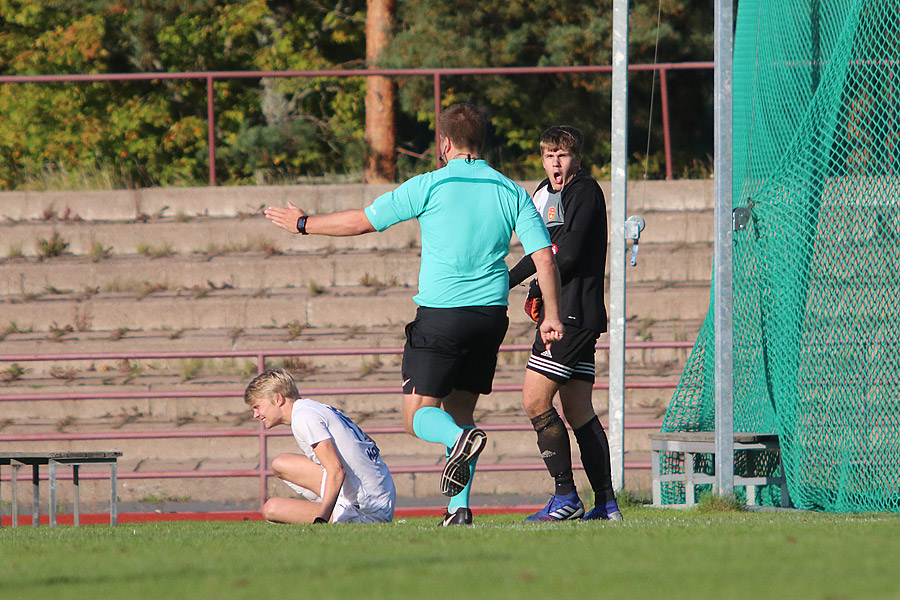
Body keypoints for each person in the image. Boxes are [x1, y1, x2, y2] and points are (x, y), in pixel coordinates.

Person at [264, 103, 565, 526]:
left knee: (419, 416)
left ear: (444, 144)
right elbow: (544, 258)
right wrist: (551, 315)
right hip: (490, 317)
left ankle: (460, 441)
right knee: (460, 410)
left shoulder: (429, 184)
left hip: (442, 313)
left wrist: (303, 223)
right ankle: (458, 511)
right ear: (481, 142)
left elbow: (363, 222)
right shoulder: (510, 189)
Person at [508, 126, 622, 521]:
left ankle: (566, 497)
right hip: (572, 313)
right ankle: (606, 505)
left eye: (563, 155)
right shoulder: (543, 193)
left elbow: (566, 255)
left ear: (577, 158)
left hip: (572, 315)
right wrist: (527, 285)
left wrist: (518, 281)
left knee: (535, 400)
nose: (555, 162)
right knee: (577, 409)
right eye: (548, 155)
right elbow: (543, 251)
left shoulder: (586, 192)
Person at [244, 368, 396, 524]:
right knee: (280, 463)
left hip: (368, 509)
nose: (256, 415)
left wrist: (321, 519)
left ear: (277, 399)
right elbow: (369, 443)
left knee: (271, 508)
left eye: (257, 406)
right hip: (379, 494)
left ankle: (339, 513)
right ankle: (338, 506)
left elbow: (336, 470)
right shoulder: (312, 408)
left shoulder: (303, 417)